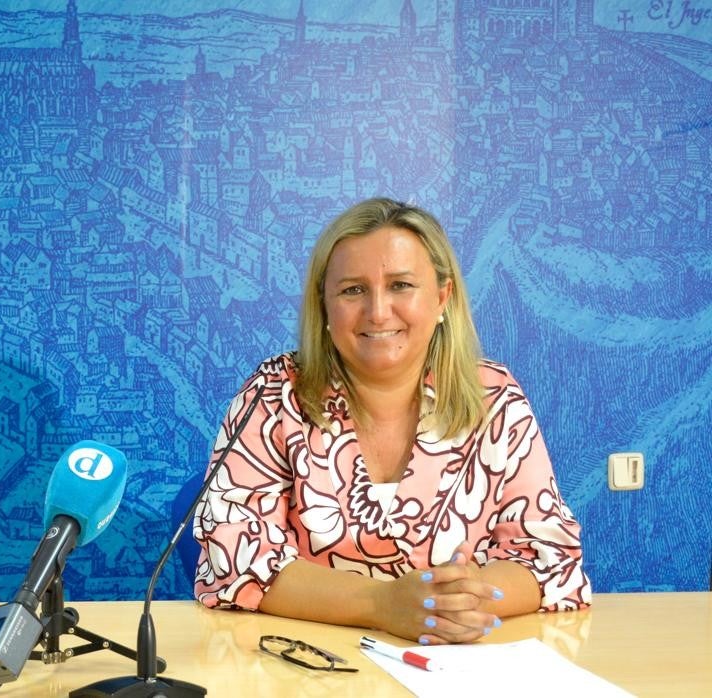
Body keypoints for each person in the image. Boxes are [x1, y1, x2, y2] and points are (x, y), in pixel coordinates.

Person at [192, 198, 590, 645]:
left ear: (442, 297)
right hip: (310, 664)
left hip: (455, 667)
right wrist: (383, 606)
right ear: (324, 305)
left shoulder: (493, 396)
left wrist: (448, 607)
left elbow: (547, 554)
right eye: (353, 290)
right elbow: (236, 558)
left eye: (400, 285)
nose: (378, 312)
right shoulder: (272, 395)